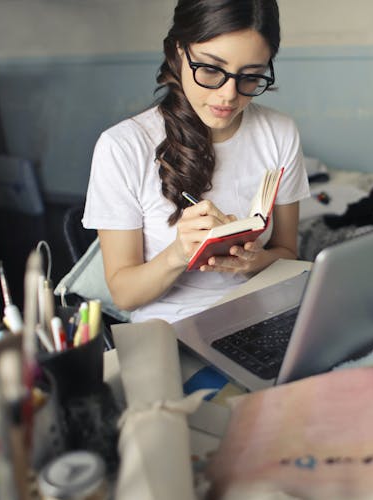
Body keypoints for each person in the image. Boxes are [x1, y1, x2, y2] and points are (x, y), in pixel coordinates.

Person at [82, 0, 310, 324]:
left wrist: (254, 261)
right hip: (173, 330)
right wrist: (179, 253)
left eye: (250, 77)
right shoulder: (122, 147)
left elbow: (287, 252)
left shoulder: (280, 132)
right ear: (178, 51)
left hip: (263, 317)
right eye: (210, 70)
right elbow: (124, 294)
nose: (229, 95)